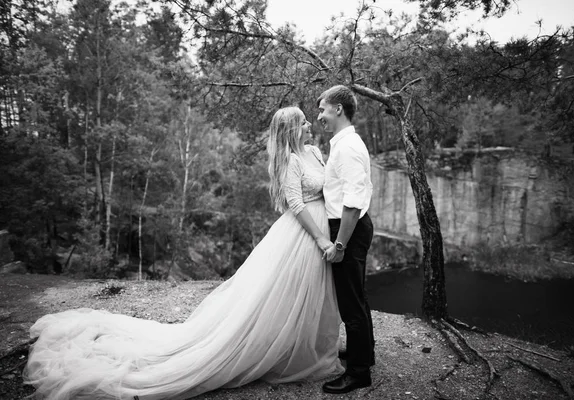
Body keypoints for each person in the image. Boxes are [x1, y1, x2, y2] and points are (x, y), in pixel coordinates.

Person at [23, 106, 343, 400]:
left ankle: (310, 346)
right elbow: (296, 205)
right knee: (283, 297)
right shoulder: (292, 162)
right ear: (290, 131)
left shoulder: (315, 151)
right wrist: (320, 239)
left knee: (314, 295)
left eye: (306, 120)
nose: (308, 125)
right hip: (304, 235)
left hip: (324, 225)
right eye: (302, 122)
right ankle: (277, 351)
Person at [318, 85, 376, 394]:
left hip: (348, 229)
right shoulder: (342, 144)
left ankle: (358, 373)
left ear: (338, 109)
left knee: (351, 303)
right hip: (349, 227)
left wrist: (339, 245)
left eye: (324, 109)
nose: (320, 116)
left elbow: (353, 202)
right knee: (357, 297)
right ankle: (362, 354)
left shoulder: (349, 146)